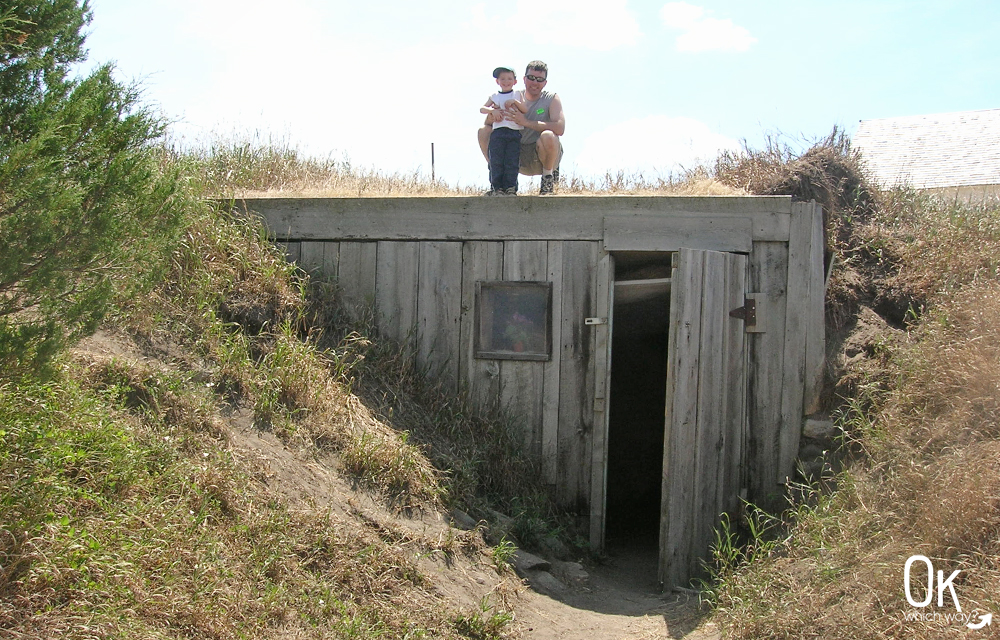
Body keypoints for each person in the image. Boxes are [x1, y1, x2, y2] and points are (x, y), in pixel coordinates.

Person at [478, 60, 565, 195]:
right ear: (524, 79)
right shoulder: (513, 95)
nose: (534, 82)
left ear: (545, 83)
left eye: (539, 79)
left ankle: (547, 181)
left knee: (549, 135)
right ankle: (497, 182)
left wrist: (525, 122)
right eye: (531, 78)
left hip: (540, 155)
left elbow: (560, 128)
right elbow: (488, 124)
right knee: (483, 131)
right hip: (514, 151)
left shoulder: (551, 98)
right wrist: (493, 114)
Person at [480, 66, 527, 195]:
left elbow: (525, 109)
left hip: (513, 132)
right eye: (502, 79)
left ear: (515, 81)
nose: (506, 81)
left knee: (511, 160)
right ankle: (496, 187)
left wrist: (514, 102)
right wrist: (492, 111)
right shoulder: (494, 96)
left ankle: (510, 187)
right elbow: (482, 108)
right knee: (496, 160)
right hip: (498, 132)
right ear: (497, 81)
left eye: (509, 79)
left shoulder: (518, 94)